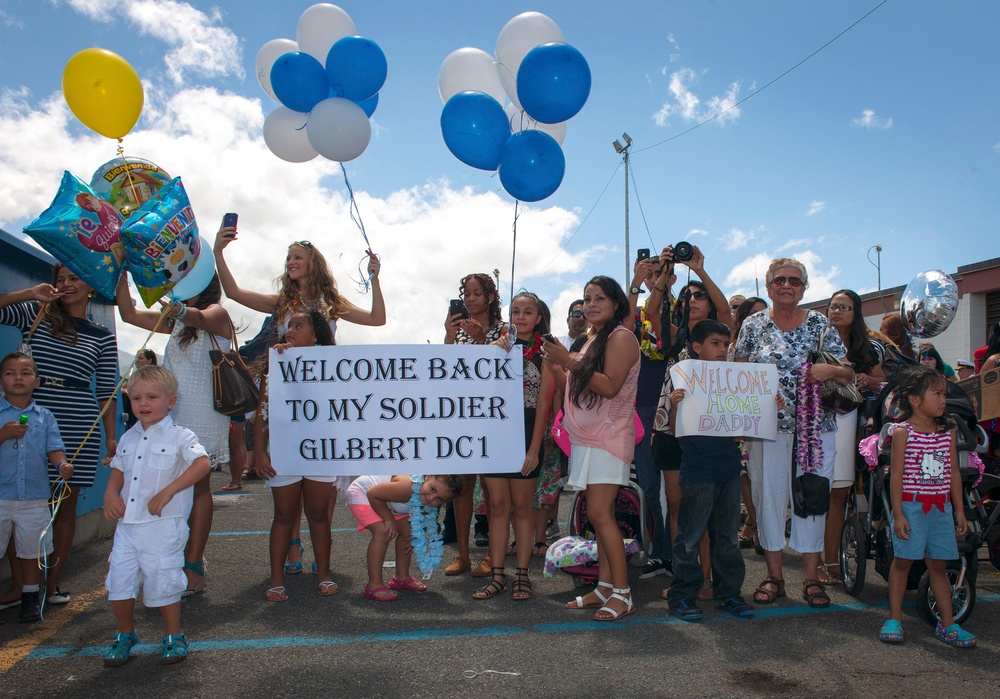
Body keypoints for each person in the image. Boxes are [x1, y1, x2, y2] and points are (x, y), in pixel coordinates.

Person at [216, 229, 385, 574]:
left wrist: (375, 279)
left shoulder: (330, 303)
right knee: (286, 477)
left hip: (322, 397)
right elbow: (232, 293)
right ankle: (292, 545)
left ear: (313, 264)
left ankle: (316, 556)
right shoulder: (281, 303)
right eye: (288, 257)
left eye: (298, 257)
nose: (291, 262)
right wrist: (219, 252)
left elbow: (376, 319)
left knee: (316, 481)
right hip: (286, 393)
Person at [734, 258, 852, 609]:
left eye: (795, 281)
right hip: (765, 429)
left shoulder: (819, 323)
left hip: (814, 431)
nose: (787, 286)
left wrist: (827, 368)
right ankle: (774, 576)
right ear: (768, 287)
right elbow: (737, 373)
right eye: (780, 280)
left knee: (812, 501)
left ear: (804, 287)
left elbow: (848, 374)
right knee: (767, 497)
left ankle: (811, 578)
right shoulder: (752, 324)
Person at [0, 264, 119, 606]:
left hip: (79, 421)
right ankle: (22, 587)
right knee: (19, 505)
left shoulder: (102, 335)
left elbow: (107, 390)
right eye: (60, 279)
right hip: (31, 420)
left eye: (74, 278)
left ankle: (51, 585)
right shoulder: (34, 314)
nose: (66, 284)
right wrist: (28, 293)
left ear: (90, 287)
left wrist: (111, 437)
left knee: (64, 509)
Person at [116, 273, 233, 597]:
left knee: (198, 487)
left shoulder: (216, 314)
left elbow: (197, 316)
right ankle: (174, 556)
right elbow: (129, 314)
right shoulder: (177, 322)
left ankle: (193, 562)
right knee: (169, 486)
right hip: (173, 412)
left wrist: (178, 309)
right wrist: (121, 276)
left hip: (203, 413)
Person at [543, 276, 640, 621]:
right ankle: (603, 587)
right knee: (596, 518)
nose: (591, 304)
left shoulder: (622, 337)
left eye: (600, 298)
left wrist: (568, 362)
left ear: (616, 305)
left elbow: (610, 387)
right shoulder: (590, 340)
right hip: (588, 439)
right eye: (587, 298)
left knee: (601, 515)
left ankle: (623, 593)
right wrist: (556, 363)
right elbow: (575, 386)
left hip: (608, 438)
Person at [102, 365, 211, 666]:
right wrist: (110, 494)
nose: (143, 404)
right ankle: (126, 633)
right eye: (136, 398)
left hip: (163, 526)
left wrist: (168, 491)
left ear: (171, 402)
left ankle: (173, 634)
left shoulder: (180, 436)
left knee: (164, 580)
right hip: (128, 525)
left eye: (152, 397)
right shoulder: (128, 438)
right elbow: (118, 471)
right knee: (119, 580)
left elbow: (201, 464)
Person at [652, 244, 733, 596]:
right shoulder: (672, 333)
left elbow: (727, 310)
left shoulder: (720, 333)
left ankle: (710, 577)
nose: (694, 300)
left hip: (710, 429)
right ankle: (683, 575)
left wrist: (699, 269)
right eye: (688, 296)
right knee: (677, 501)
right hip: (671, 424)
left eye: (700, 296)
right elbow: (652, 310)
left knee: (709, 505)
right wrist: (665, 271)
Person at [879, 366, 976, 647]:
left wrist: (959, 509)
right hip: (912, 508)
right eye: (937, 394)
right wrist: (897, 514)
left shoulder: (947, 431)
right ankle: (894, 618)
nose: (943, 400)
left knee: (939, 565)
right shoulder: (902, 432)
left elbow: (954, 474)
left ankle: (947, 624)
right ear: (915, 400)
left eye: (944, 394)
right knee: (903, 562)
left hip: (940, 509)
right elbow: (895, 476)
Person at [664, 321, 754, 621]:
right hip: (698, 468)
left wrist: (764, 405)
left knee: (727, 536)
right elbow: (676, 431)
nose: (722, 350)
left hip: (728, 466)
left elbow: (741, 430)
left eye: (726, 345)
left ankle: (729, 593)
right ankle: (682, 595)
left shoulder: (732, 380)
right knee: (689, 537)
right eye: (715, 343)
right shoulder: (683, 379)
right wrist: (676, 406)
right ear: (697, 347)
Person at [254, 310, 340, 601]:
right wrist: (260, 453)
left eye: (298, 326)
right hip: (285, 451)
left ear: (315, 335)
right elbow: (262, 415)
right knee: (284, 515)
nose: (290, 330)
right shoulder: (277, 365)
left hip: (321, 452)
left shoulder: (335, 367)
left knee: (318, 514)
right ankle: (276, 578)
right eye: (289, 326)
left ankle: (324, 574)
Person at [475, 292, 555, 601]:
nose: (521, 317)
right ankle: (497, 575)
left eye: (528, 312)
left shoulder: (545, 353)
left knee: (522, 509)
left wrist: (534, 451)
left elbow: (544, 407)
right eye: (516, 311)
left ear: (538, 317)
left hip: (526, 436)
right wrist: (489, 355)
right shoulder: (496, 349)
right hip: (495, 436)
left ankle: (522, 575)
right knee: (497, 508)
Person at [442, 272, 507, 577]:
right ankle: (464, 555)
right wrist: (448, 333)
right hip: (461, 414)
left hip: (493, 417)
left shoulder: (505, 329)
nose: (470, 299)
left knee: (492, 489)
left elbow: (501, 371)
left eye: (476, 293)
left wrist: (483, 340)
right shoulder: (458, 329)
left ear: (490, 297)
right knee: (462, 485)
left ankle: (490, 557)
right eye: (466, 294)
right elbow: (443, 367)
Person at [820, 289, 886, 585]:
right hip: (815, 420)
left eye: (844, 307)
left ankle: (832, 560)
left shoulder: (868, 347)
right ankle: (815, 559)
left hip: (852, 422)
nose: (837, 311)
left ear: (855, 312)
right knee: (816, 491)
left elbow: (882, 381)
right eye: (833, 306)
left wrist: (868, 379)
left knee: (838, 492)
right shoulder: (814, 339)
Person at [0, 352, 72, 622]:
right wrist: (4, 434)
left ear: (37, 381)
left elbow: (55, 448)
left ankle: (30, 598)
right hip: (1, 495)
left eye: (26, 373)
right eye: (10, 373)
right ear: (0, 381)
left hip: (34, 496)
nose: (18, 377)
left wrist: (62, 465)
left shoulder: (45, 416)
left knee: (31, 550)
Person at [626, 251, 676, 579]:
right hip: (642, 407)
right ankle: (659, 552)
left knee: (679, 489)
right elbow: (621, 326)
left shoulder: (686, 309)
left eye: (660, 272)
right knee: (648, 485)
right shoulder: (638, 312)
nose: (654, 277)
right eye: (649, 273)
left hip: (678, 406)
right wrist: (633, 282)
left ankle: (683, 554)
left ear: (671, 276)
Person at [348, 474, 463, 601]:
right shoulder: (407, 487)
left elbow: (422, 518)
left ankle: (401, 577)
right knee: (383, 532)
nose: (431, 498)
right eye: (432, 489)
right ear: (427, 477)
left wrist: (417, 537)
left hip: (387, 502)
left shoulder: (428, 499)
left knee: (409, 532)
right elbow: (373, 493)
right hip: (364, 494)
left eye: (439, 499)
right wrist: (388, 519)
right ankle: (374, 584)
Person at [730, 297, 768, 550]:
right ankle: (755, 523)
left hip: (767, 418)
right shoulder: (732, 347)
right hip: (740, 417)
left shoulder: (776, 347)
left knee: (764, 476)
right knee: (746, 475)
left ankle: (761, 527)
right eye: (752, 314)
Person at [120, 349, 156, 433]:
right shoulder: (134, 376)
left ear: (149, 360)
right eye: (136, 358)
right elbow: (123, 387)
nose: (137, 361)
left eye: (140, 358)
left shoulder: (154, 378)